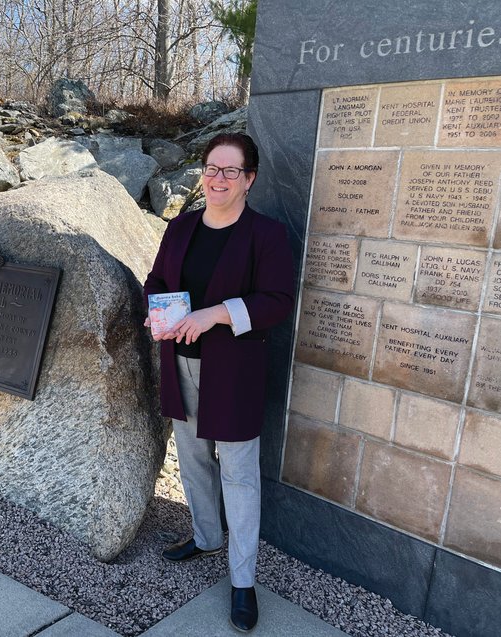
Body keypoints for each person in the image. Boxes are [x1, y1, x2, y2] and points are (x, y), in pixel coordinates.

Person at [143, 132, 294, 632]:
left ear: (249, 179)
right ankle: (207, 536)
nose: (218, 179)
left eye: (231, 171)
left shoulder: (266, 236)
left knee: (238, 473)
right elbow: (158, 282)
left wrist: (215, 315)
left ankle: (243, 580)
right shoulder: (181, 228)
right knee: (191, 461)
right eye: (212, 168)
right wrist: (159, 313)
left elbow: (276, 302)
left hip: (233, 374)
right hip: (179, 363)